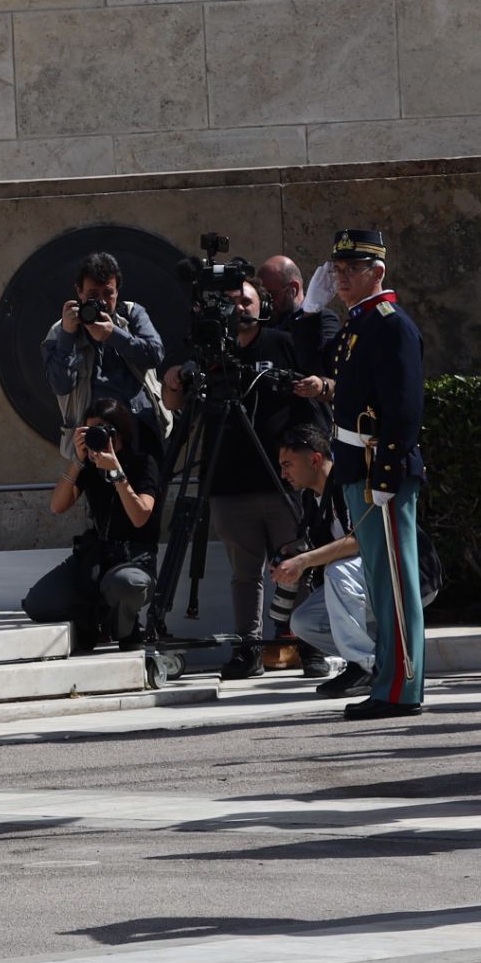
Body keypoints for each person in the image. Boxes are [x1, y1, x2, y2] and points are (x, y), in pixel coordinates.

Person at [160, 279, 306, 679]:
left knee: (297, 564)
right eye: (229, 302)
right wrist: (173, 380)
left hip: (280, 480)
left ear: (261, 307)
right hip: (226, 482)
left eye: (246, 300)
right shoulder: (207, 350)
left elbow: (306, 402)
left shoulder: (280, 342)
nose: (238, 308)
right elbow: (176, 404)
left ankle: (307, 643)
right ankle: (249, 649)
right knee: (245, 575)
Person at [325, 229, 427, 721]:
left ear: (377, 271)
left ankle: (400, 688)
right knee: (378, 582)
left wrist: (384, 474)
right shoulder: (361, 323)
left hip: (376, 469)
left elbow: (404, 411)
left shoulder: (390, 325)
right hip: (356, 465)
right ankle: (389, 682)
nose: (341, 278)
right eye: (337, 270)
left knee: (394, 584)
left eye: (352, 269)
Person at [22, 398, 161, 650]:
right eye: (90, 432)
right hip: (96, 556)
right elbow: (57, 506)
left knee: (125, 583)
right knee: (37, 603)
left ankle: (127, 629)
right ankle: (91, 622)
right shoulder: (90, 467)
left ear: (119, 431)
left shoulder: (143, 464)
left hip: (134, 559)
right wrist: (77, 460)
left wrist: (116, 472)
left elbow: (140, 517)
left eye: (102, 431)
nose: (97, 438)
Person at [271, 423, 372, 699]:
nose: (283, 473)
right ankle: (379, 660)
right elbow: (324, 541)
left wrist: (304, 560)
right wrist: (292, 553)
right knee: (304, 621)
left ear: (315, 459)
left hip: (394, 574)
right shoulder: (310, 497)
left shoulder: (349, 482)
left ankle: (362, 665)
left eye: (288, 464)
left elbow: (361, 540)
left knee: (338, 571)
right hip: (359, 582)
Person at [42, 251, 166, 454]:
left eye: (108, 294)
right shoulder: (60, 330)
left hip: (141, 429)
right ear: (79, 292)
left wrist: (114, 335)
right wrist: (68, 335)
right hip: (93, 439)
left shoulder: (133, 314)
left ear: (117, 291)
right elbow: (61, 385)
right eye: (92, 295)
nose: (101, 302)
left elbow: (155, 355)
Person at [257, 253, 341, 395]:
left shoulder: (325, 320)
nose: (265, 303)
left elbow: (327, 368)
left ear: (293, 289)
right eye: (260, 296)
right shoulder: (264, 320)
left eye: (270, 295)